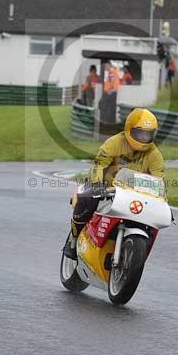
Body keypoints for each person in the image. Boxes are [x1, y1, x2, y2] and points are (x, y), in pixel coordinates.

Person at [63, 108, 164, 259]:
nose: (144, 138)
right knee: (86, 199)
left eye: (148, 134)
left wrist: (162, 200)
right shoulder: (114, 142)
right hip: (106, 188)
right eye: (140, 133)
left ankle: (132, 255)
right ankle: (74, 239)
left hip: (134, 195)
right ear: (129, 129)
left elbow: (159, 180)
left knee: (151, 220)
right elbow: (99, 164)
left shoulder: (154, 154)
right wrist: (97, 184)